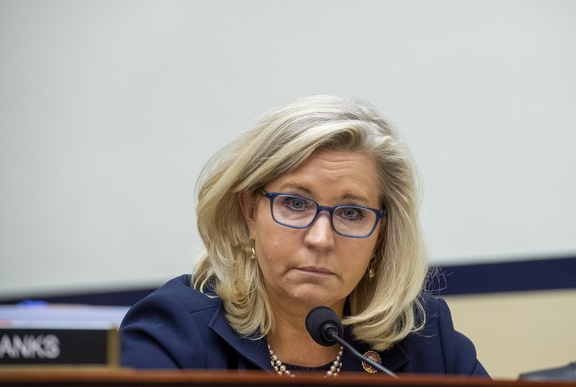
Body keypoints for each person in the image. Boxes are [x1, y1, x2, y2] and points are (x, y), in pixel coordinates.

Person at [119, 95, 489, 377]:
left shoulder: (423, 333)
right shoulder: (174, 332)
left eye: (351, 213)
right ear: (250, 212)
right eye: (296, 204)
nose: (321, 238)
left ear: (382, 233)